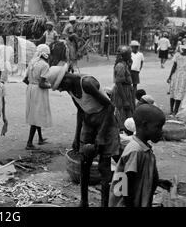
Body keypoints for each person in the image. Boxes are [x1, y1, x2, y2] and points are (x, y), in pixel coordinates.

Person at [52, 65, 120, 207]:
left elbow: (110, 106)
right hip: (89, 122)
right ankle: (84, 201)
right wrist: (77, 136)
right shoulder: (70, 88)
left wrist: (101, 135)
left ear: (65, 78)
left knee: (104, 166)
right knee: (84, 162)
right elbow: (81, 111)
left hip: (106, 123)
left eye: (60, 86)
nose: (61, 90)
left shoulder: (87, 83)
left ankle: (105, 204)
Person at [109, 105, 172, 207]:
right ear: (145, 125)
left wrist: (157, 182)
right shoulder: (135, 151)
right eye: (158, 127)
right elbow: (125, 181)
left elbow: (138, 176)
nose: (161, 131)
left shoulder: (144, 148)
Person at [23, 44, 53, 150]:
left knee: (36, 113)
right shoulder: (44, 65)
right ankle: (29, 143)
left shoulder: (32, 62)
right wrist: (51, 85)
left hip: (31, 89)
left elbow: (25, 79)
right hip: (39, 91)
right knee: (36, 116)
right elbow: (42, 84)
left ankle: (40, 138)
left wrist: (32, 85)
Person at [167, 41, 186, 116]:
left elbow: (174, 67)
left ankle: (173, 110)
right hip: (183, 76)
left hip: (176, 75)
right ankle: (174, 111)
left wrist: (170, 76)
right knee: (177, 93)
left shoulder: (178, 55)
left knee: (174, 92)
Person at [112, 46, 135, 131]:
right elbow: (118, 83)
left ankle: (126, 130)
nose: (131, 56)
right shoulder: (121, 66)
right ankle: (122, 131)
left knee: (127, 112)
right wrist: (125, 100)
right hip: (122, 93)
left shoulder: (125, 64)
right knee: (122, 112)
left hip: (126, 91)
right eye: (129, 55)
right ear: (124, 56)